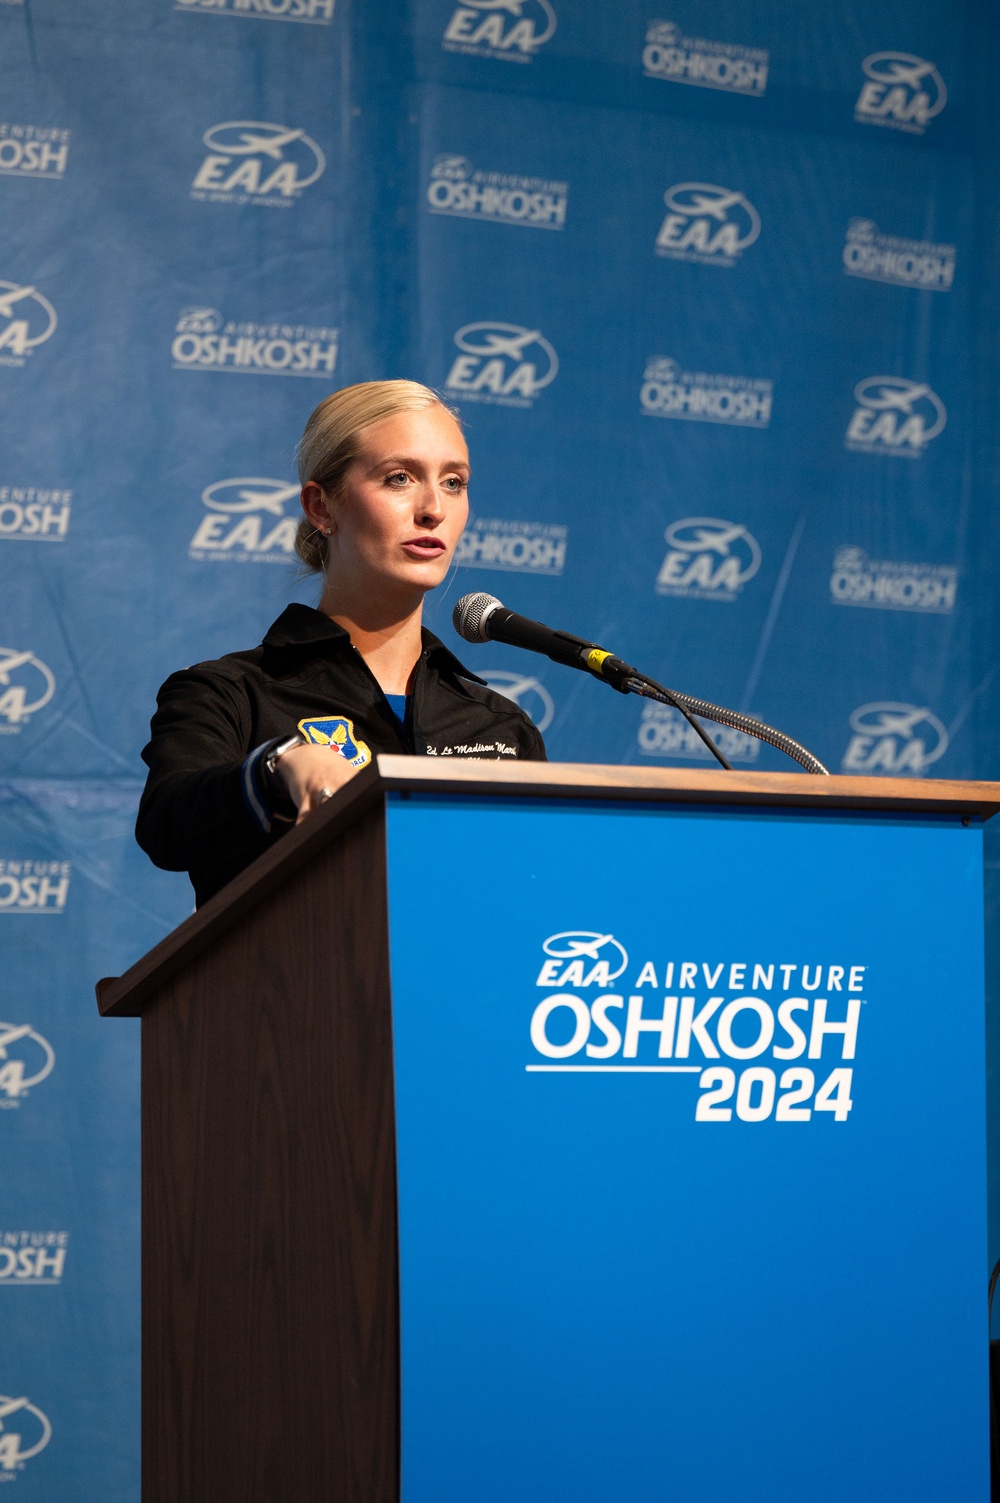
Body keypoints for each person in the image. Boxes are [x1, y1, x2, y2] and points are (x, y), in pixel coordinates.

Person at [136, 380, 546, 905]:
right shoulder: (229, 694)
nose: (433, 509)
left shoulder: (500, 724)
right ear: (322, 507)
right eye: (399, 478)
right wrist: (277, 767)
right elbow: (167, 823)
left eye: (453, 482)